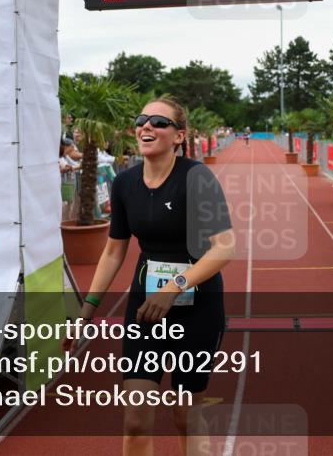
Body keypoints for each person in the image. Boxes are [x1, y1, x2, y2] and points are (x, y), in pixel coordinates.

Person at [66, 97, 235, 456]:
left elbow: (224, 247)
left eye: (159, 122)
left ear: (179, 136)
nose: (147, 126)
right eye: (142, 119)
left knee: (186, 415)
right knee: (136, 419)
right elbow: (114, 249)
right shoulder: (125, 183)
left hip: (197, 309)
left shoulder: (197, 178)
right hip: (146, 310)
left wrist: (175, 288)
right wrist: (87, 311)